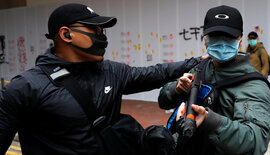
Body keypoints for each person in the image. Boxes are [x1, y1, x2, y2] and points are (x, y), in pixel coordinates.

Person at [0, 3, 205, 155]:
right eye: (95, 30)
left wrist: (195, 62)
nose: (102, 36)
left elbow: (153, 73)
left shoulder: (110, 71)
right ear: (66, 34)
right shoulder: (24, 88)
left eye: (103, 30)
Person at [158, 5, 270, 155]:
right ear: (205, 40)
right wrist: (176, 89)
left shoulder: (253, 85)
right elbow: (162, 101)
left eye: (229, 37)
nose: (222, 42)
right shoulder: (198, 68)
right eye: (215, 36)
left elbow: (255, 142)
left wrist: (210, 121)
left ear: (239, 40)